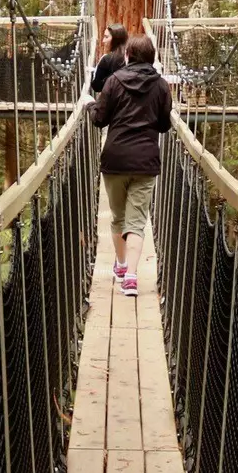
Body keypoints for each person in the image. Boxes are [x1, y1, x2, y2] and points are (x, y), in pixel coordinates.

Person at [90, 32, 171, 297]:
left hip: (115, 160)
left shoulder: (113, 81)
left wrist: (90, 107)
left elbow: (100, 120)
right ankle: (133, 278)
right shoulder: (161, 86)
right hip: (145, 161)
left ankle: (121, 266)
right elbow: (163, 125)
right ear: (152, 57)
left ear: (127, 56)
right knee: (136, 222)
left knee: (118, 218)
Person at [90, 23, 129, 95]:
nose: (103, 41)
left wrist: (94, 72)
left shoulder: (107, 59)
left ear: (116, 39)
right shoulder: (133, 56)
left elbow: (97, 86)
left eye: (106, 37)